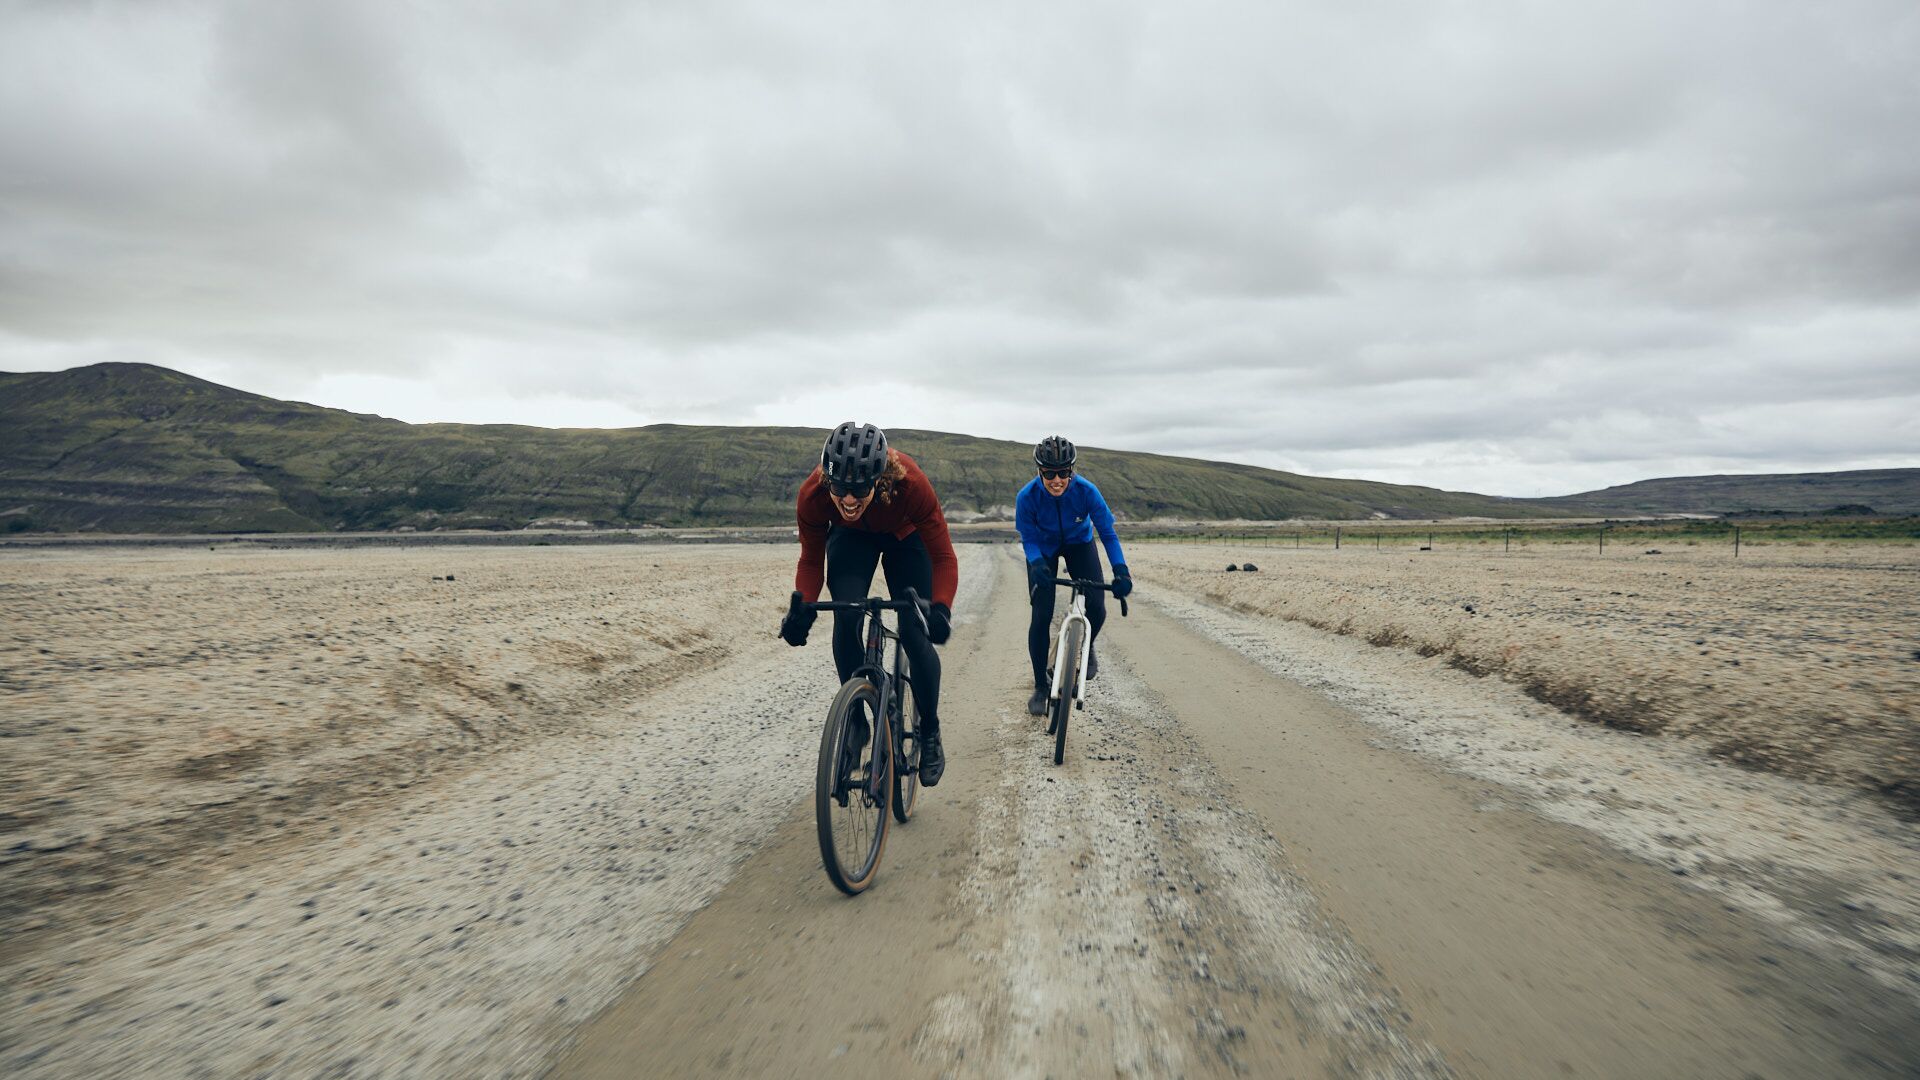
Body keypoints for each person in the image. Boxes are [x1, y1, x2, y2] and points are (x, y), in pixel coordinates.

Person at [779, 422, 957, 784]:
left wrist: (940, 610)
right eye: (839, 488)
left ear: (879, 479)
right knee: (846, 617)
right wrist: (803, 608)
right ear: (827, 480)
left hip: (906, 539)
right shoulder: (812, 495)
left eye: (859, 489)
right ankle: (857, 722)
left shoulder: (911, 485)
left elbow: (942, 556)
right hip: (852, 539)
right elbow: (811, 560)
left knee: (914, 632)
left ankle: (930, 731)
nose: (847, 499)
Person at [1015, 435, 1132, 716]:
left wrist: (1120, 569)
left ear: (1072, 470)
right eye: (1050, 473)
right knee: (1041, 615)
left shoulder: (1087, 491)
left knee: (1098, 607)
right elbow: (1028, 538)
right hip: (1044, 548)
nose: (1057, 480)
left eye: (1064, 472)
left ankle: (1087, 646)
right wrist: (1037, 564)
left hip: (1080, 543)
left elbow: (1108, 533)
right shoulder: (1026, 497)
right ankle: (1041, 687)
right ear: (1039, 470)